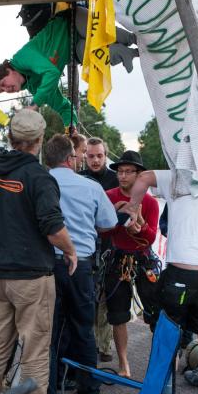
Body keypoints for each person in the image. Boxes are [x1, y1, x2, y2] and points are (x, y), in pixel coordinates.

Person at [0, 109, 78, 394]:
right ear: (40, 140)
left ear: (11, 138)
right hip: (32, 277)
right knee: (35, 349)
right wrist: (71, 251)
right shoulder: (39, 177)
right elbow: (53, 227)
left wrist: (3, 239)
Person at [122, 169, 198, 392]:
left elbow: (143, 178)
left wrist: (132, 206)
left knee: (169, 322)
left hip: (182, 271)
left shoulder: (177, 179)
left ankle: (165, 382)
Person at [43, 134, 117, 394]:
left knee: (51, 332)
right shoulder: (90, 186)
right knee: (83, 328)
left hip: (48, 266)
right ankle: (89, 390)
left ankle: (52, 391)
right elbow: (108, 222)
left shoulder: (40, 184)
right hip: (82, 265)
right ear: (71, 158)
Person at [0, 7, 138, 127]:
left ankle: (137, 39)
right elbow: (64, 108)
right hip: (75, 49)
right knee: (102, 57)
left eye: (3, 84)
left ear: (8, 70)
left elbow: (51, 72)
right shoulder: (35, 88)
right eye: (3, 91)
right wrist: (70, 128)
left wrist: (34, 104)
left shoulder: (22, 57)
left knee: (108, 34)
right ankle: (136, 53)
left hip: (72, 21)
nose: (7, 90)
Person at [101, 151, 159, 378]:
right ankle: (123, 362)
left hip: (143, 258)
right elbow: (100, 229)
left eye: (128, 171)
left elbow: (150, 238)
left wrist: (141, 224)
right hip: (117, 258)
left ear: (139, 174)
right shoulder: (109, 196)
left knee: (155, 311)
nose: (122, 176)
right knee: (118, 314)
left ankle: (159, 361)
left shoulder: (150, 202)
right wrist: (116, 215)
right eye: (120, 171)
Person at [79, 137, 118, 363]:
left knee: (105, 299)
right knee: (88, 298)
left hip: (110, 247)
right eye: (91, 156)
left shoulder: (115, 179)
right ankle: (91, 344)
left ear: (105, 155)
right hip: (85, 247)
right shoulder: (79, 178)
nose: (95, 160)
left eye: (99, 156)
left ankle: (104, 345)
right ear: (85, 156)